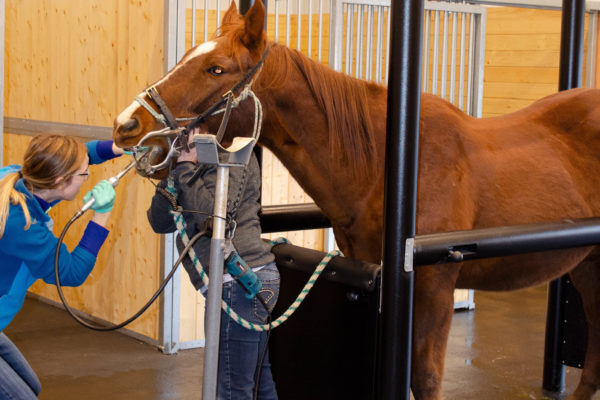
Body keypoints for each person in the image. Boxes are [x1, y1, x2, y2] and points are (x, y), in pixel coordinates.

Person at [147, 129, 280, 400]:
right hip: (237, 284)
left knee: (232, 388)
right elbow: (159, 222)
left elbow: (216, 218)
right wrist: (174, 170)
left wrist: (185, 167)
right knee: (256, 380)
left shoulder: (234, 155)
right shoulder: (189, 166)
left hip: (240, 281)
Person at [0, 134, 124, 399]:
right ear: (59, 181)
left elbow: (80, 155)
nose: (88, 174)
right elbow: (71, 272)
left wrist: (118, 147)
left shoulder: (16, 178)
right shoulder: (23, 225)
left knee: (31, 385)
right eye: (84, 174)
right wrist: (102, 214)